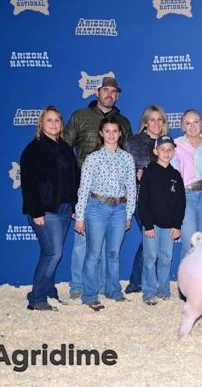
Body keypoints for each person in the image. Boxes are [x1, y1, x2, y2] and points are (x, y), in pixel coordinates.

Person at [64, 76, 133, 300]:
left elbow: (131, 179)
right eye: (106, 90)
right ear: (97, 92)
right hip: (89, 194)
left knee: (111, 252)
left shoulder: (123, 122)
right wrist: (77, 204)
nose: (109, 94)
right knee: (86, 247)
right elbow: (65, 150)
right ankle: (80, 287)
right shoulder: (80, 117)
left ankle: (109, 288)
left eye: (114, 91)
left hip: (118, 203)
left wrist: (129, 211)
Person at [74, 115, 136, 310]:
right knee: (93, 254)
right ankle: (90, 295)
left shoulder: (127, 158)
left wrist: (128, 214)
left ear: (120, 133)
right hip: (96, 207)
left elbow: (131, 188)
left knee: (113, 253)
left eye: (115, 131)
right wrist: (80, 216)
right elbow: (83, 188)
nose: (111, 135)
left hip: (119, 208)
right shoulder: (92, 159)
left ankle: (113, 290)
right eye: (107, 131)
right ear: (101, 133)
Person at [20, 106, 78, 311]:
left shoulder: (64, 147)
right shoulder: (33, 149)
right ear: (41, 124)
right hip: (44, 210)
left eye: (57, 120)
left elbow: (73, 178)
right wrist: (36, 211)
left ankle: (49, 291)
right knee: (53, 253)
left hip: (63, 208)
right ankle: (36, 299)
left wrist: (74, 204)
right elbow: (29, 183)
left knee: (53, 253)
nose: (54, 124)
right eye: (49, 120)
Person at [124, 105, 169, 294]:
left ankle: (143, 282)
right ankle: (137, 282)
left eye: (160, 120)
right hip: (141, 199)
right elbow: (124, 171)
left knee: (152, 241)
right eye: (152, 119)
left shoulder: (168, 145)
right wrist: (136, 175)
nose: (156, 123)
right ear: (145, 123)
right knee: (149, 239)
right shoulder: (133, 143)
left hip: (163, 201)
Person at [138, 136, 185, 305]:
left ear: (174, 151)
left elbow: (180, 202)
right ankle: (149, 291)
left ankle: (163, 289)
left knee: (166, 258)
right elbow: (143, 200)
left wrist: (177, 225)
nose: (166, 153)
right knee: (150, 258)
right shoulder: (149, 171)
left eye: (170, 149)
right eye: (162, 149)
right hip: (152, 225)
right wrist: (147, 224)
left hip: (169, 226)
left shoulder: (175, 175)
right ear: (155, 151)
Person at [172, 109, 202, 267]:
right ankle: (185, 286)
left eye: (196, 122)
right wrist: (175, 202)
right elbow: (173, 175)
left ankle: (199, 285)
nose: (192, 126)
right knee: (188, 242)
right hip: (186, 196)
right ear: (182, 126)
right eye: (188, 123)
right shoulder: (176, 145)